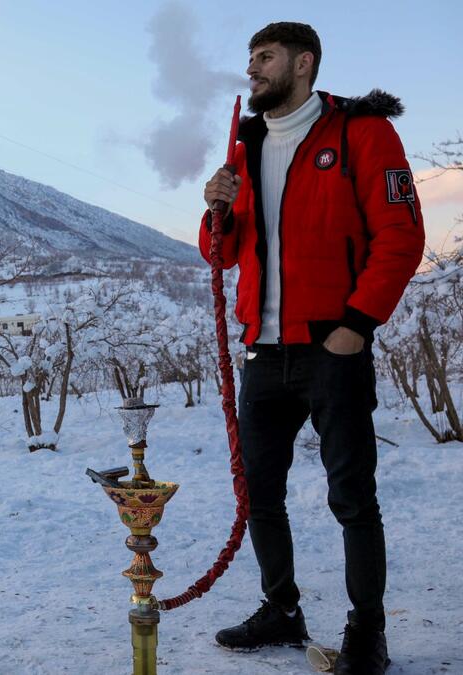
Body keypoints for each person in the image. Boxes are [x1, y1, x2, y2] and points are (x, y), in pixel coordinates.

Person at [199, 22, 424, 675]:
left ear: (304, 62)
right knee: (258, 491)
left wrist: (357, 323)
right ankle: (281, 608)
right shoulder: (249, 145)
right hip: (263, 351)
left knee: (352, 492)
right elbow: (224, 251)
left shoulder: (362, 132)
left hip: (333, 343)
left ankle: (367, 631)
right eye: (248, 59)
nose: (253, 70)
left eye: (264, 58)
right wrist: (217, 209)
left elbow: (401, 234)